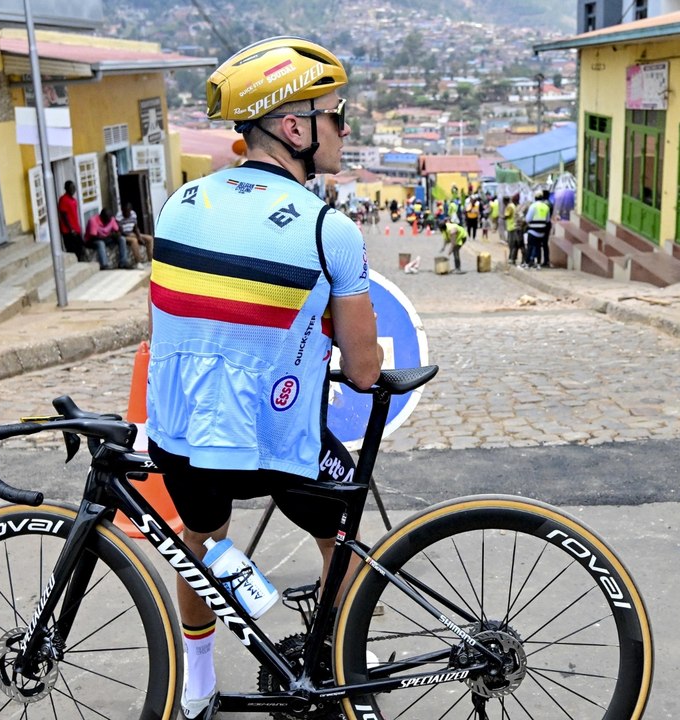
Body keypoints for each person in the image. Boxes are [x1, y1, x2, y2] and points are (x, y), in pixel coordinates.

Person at [145, 37, 381, 720]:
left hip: (185, 439)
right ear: (293, 126)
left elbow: (163, 328)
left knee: (200, 540)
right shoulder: (327, 229)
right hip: (280, 443)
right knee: (349, 546)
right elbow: (363, 372)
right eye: (335, 116)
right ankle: (333, 669)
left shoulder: (177, 204)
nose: (343, 129)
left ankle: (196, 683)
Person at [57, 180, 86, 262]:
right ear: (66, 189)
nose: (73, 189)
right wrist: (70, 229)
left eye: (74, 187)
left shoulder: (73, 200)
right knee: (71, 249)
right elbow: (64, 215)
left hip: (76, 228)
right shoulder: (63, 199)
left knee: (80, 246)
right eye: (71, 187)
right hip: (68, 230)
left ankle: (79, 261)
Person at [524, 190, 552, 269]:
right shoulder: (546, 207)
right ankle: (538, 264)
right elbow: (547, 220)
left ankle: (527, 263)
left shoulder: (533, 206)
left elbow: (528, 219)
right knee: (538, 247)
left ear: (535, 197)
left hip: (532, 230)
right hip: (542, 231)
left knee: (530, 246)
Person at [504, 192, 522, 266]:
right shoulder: (514, 206)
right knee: (514, 244)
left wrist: (502, 216)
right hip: (514, 227)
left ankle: (512, 258)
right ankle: (512, 258)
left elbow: (506, 216)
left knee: (512, 244)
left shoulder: (509, 206)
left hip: (511, 227)